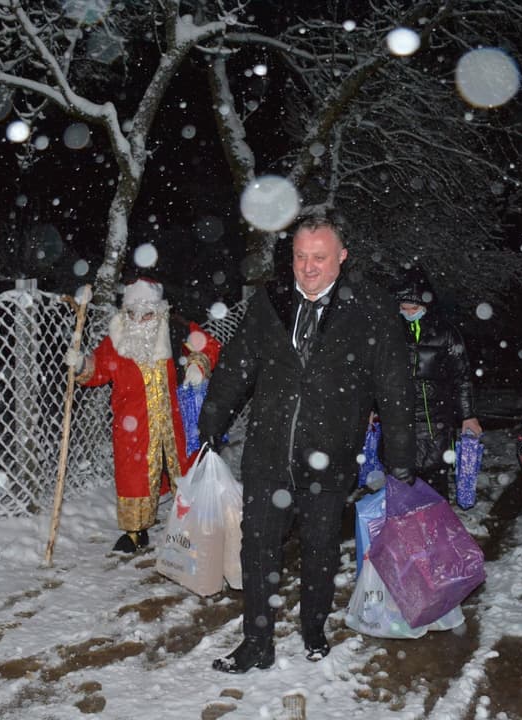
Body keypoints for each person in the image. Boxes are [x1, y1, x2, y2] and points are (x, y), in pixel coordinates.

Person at [198, 210, 416, 673]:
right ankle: (256, 641)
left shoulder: (372, 309)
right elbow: (239, 364)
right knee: (256, 548)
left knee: (319, 549)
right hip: (269, 450)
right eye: (299, 256)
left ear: (342, 255)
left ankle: (313, 626)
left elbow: (395, 388)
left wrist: (400, 458)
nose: (308, 267)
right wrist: (212, 418)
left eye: (319, 257)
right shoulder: (270, 302)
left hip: (330, 455)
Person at [76, 277, 220, 554]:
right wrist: (82, 364)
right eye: (132, 313)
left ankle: (191, 524)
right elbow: (98, 371)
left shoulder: (175, 331)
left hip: (176, 420)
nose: (139, 320)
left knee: (185, 467)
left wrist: (196, 365)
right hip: (134, 424)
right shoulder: (116, 339)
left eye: (147, 314)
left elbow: (209, 346)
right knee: (134, 474)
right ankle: (135, 531)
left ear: (160, 311)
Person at [390, 265, 482, 500]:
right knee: (401, 484)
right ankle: (406, 533)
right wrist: (371, 408)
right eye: (404, 308)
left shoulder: (446, 333)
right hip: (400, 419)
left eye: (414, 307)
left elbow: (462, 377)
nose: (409, 312)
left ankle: (435, 532)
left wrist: (468, 415)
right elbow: (378, 375)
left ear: (426, 305)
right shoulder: (390, 331)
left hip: (437, 420)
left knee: (434, 483)